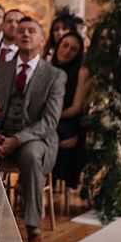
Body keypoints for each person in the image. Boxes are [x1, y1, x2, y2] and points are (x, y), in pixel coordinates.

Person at [0, 17, 66, 242]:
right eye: (21, 31)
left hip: (34, 139)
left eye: (32, 31)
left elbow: (49, 122)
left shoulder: (55, 76)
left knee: (32, 155)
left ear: (42, 40)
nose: (25, 34)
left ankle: (33, 232)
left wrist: (18, 139)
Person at [51, 31, 89, 189]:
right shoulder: (47, 66)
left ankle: (38, 181)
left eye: (73, 49)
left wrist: (51, 118)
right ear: (58, 45)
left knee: (44, 133)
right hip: (50, 118)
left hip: (68, 120)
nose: (67, 51)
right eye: (65, 45)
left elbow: (76, 108)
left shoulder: (81, 72)